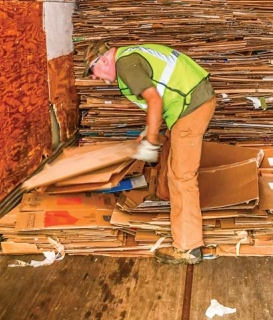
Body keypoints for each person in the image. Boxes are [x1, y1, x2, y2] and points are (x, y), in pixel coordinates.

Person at [84, 42, 216, 265]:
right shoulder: (131, 55)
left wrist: (150, 141)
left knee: (182, 176)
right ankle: (165, 196)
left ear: (104, 60)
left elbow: (154, 99)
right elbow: (162, 93)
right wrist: (149, 132)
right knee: (168, 149)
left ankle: (188, 247)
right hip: (190, 101)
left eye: (92, 71)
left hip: (191, 106)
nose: (95, 78)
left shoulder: (125, 64)